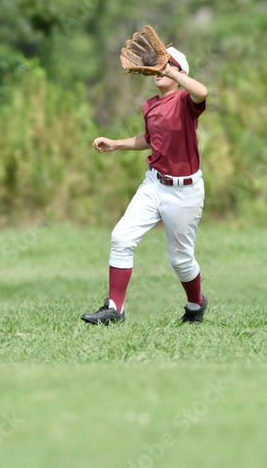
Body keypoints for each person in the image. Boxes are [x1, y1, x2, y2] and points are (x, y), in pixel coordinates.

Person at [82, 46, 209, 324]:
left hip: (185, 191)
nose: (159, 68)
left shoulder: (185, 99)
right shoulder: (149, 105)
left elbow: (202, 92)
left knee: (180, 261)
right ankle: (114, 309)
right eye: (157, 64)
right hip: (154, 183)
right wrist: (116, 144)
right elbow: (151, 140)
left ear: (179, 72)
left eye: (167, 64)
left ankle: (196, 304)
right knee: (121, 237)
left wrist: (173, 71)